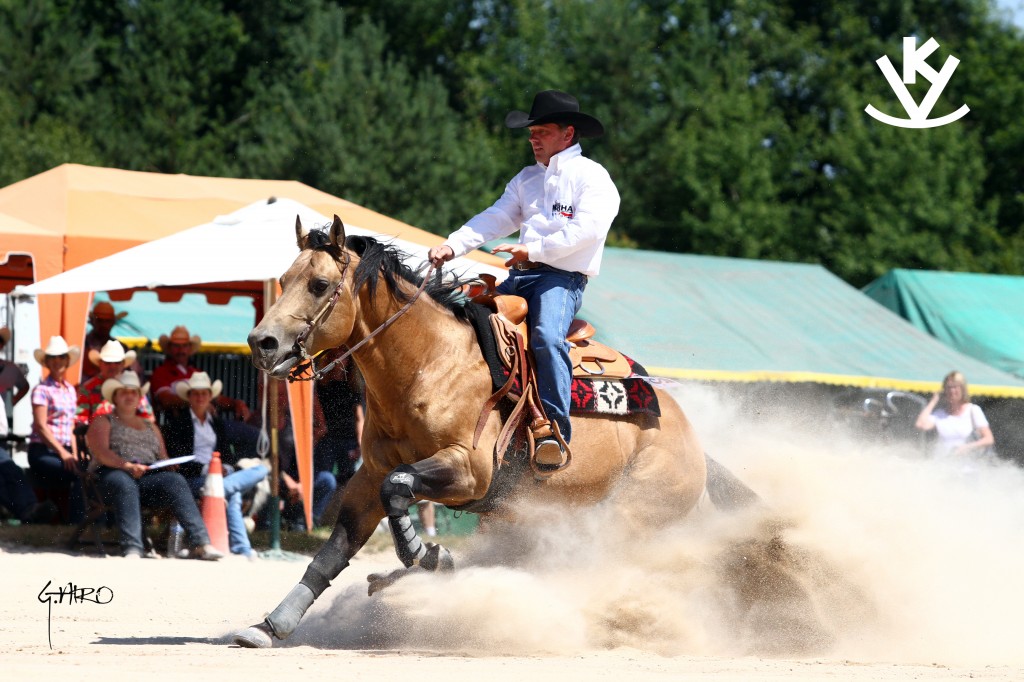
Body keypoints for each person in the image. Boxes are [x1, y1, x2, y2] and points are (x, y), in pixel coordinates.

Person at [428, 89, 620, 466]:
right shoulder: (527, 179)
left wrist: (531, 252)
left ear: (568, 134)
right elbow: (496, 217)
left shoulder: (593, 178)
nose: (533, 139)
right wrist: (453, 246)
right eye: (532, 133)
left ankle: (555, 430)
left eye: (543, 132)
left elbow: (588, 231)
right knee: (464, 324)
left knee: (548, 337)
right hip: (519, 276)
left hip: (560, 280)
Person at [85, 371, 222, 559]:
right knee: (125, 483)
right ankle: (132, 547)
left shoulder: (150, 425)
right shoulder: (104, 420)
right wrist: (126, 466)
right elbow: (101, 453)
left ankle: (202, 543)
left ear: (140, 397)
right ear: (115, 397)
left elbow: (162, 456)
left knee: (175, 480)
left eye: (134, 392)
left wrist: (168, 465)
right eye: (124, 392)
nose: (129, 396)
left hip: (146, 476)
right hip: (110, 476)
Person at [161, 372, 268, 558]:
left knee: (261, 469)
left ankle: (220, 489)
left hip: (218, 475)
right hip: (194, 478)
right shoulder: (178, 424)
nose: (200, 397)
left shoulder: (216, 424)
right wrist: (208, 470)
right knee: (233, 494)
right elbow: (178, 458)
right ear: (189, 397)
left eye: (204, 393)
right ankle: (242, 548)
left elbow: (227, 454)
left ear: (210, 396)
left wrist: (225, 468)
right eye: (196, 393)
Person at [0, 327, 56, 524]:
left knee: (8, 471)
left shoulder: (8, 368)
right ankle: (26, 510)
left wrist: (11, 403)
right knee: (9, 470)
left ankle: (23, 510)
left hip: (1, 433)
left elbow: (23, 386)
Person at [28, 336, 85, 523]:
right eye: (53, 357)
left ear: (67, 360)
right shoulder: (41, 390)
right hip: (43, 450)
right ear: (46, 362)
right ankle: (77, 523)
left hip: (64, 450)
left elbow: (71, 425)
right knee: (79, 476)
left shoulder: (70, 389)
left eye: (61, 357)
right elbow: (41, 427)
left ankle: (79, 522)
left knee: (86, 472)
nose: (57, 361)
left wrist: (74, 454)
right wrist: (64, 453)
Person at [311, 350, 364, 526]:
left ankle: (343, 519)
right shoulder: (319, 384)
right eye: (335, 356)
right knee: (323, 477)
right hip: (327, 439)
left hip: (348, 440)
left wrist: (360, 444)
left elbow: (359, 418)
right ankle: (314, 517)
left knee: (348, 480)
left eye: (343, 356)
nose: (339, 360)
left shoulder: (353, 386)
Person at [915, 371, 995, 459]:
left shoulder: (973, 410)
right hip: (942, 465)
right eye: (948, 387)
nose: (952, 391)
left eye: (955, 387)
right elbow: (920, 424)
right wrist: (934, 401)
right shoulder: (940, 414)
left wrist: (967, 447)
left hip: (967, 469)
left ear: (962, 389)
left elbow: (989, 439)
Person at [76, 340, 155, 429]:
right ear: (100, 363)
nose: (112, 366)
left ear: (123, 364)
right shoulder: (88, 389)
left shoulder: (132, 386)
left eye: (117, 362)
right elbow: (80, 419)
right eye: (108, 362)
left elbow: (148, 418)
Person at [81, 301, 132, 381]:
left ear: (113, 323)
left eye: (107, 321)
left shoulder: (122, 347)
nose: (104, 325)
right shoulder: (82, 344)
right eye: (100, 320)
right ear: (93, 321)